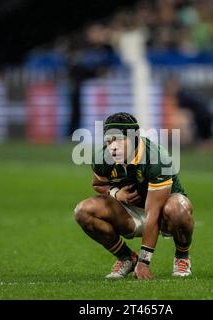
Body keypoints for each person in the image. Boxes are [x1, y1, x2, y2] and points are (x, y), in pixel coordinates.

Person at [74, 112, 194, 280]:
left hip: (164, 213)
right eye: (108, 141)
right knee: (83, 211)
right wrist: (117, 194)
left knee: (178, 208)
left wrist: (144, 262)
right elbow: (98, 184)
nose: (112, 147)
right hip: (130, 213)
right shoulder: (103, 157)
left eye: (118, 140)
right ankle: (127, 257)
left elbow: (153, 214)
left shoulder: (157, 159)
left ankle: (182, 256)